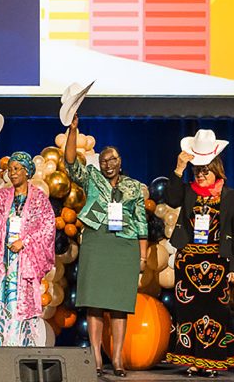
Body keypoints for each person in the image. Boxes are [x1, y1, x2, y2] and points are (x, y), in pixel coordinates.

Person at [63, 115, 147, 376]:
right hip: (97, 242)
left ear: (120, 162)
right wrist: (73, 131)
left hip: (125, 247)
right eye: (103, 161)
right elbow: (69, 163)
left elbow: (141, 222)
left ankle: (118, 359)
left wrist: (143, 256)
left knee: (119, 305)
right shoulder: (91, 178)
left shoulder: (133, 187)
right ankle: (96, 359)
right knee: (95, 303)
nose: (108, 164)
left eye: (113, 160)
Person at [165, 138, 234, 377]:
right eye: (197, 171)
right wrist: (179, 169)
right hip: (188, 261)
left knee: (216, 314)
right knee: (188, 312)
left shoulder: (231, 196)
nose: (200, 175)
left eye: (205, 171)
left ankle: (212, 360)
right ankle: (191, 359)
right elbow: (171, 198)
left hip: (218, 264)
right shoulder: (188, 191)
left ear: (216, 170)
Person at [0, 151, 55, 348]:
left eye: (17, 169)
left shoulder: (39, 199)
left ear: (27, 172)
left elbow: (48, 227)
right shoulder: (2, 197)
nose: (13, 173)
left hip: (24, 266)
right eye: (10, 169)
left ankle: (20, 355)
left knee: (20, 309)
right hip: (2, 264)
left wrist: (24, 241)